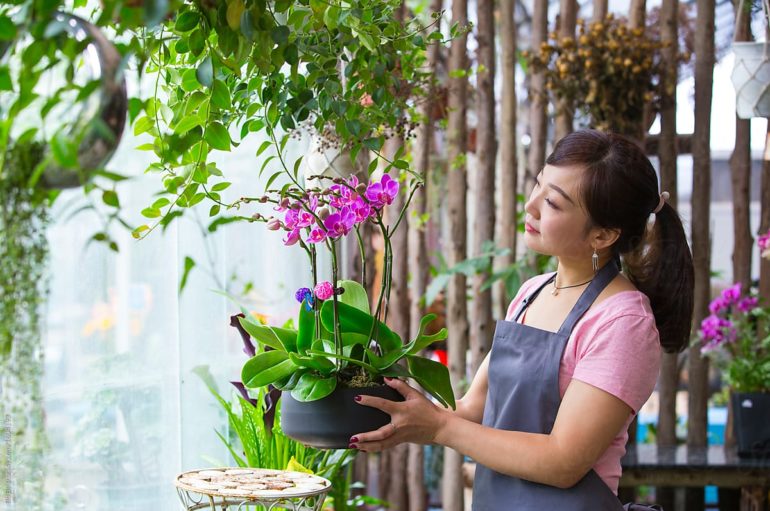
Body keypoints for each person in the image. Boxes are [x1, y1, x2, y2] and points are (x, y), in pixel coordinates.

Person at [349, 130, 694, 510]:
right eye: (538, 185)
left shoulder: (623, 321)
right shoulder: (532, 291)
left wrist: (440, 427)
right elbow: (471, 410)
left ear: (603, 234)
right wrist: (386, 409)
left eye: (553, 203)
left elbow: (564, 460)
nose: (531, 206)